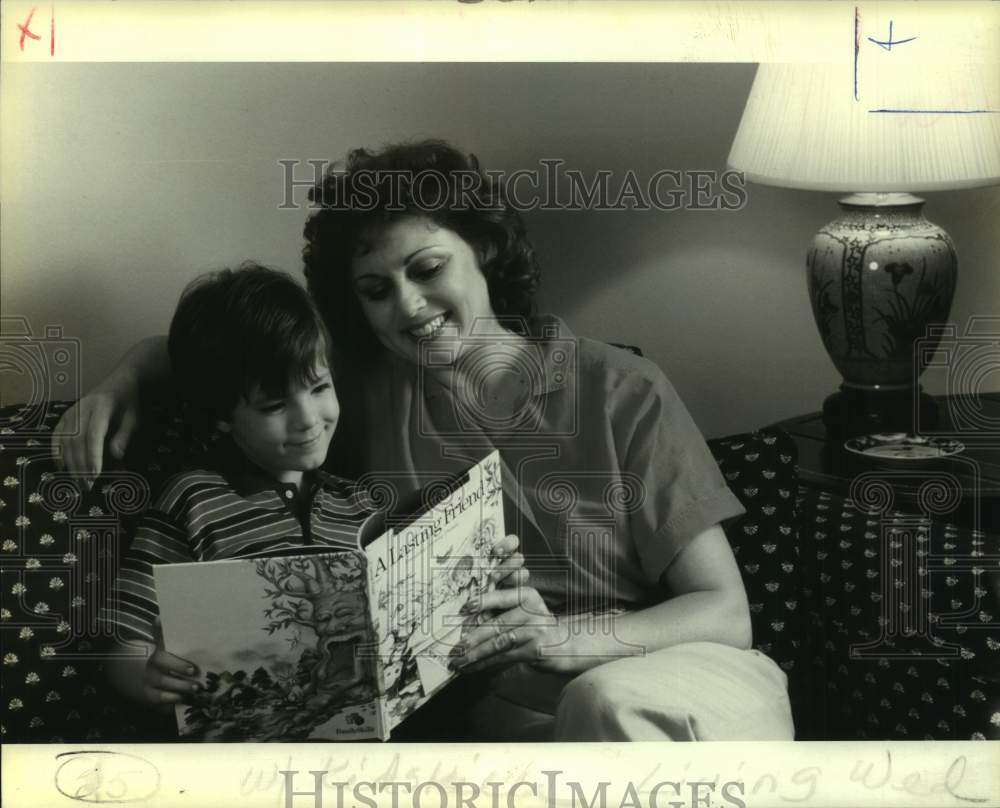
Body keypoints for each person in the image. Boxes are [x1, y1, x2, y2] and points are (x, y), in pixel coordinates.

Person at [59, 141, 794, 741]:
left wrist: (562, 641)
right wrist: (121, 381)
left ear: (483, 250)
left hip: (665, 679)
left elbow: (724, 612)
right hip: (505, 722)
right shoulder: (361, 391)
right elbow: (231, 353)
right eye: (375, 290)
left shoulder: (621, 387)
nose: (407, 306)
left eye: (427, 269)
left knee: (604, 703)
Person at [100, 262, 526, 720]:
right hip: (255, 741)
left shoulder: (360, 503)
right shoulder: (194, 499)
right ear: (220, 415)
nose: (308, 419)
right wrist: (144, 675)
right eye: (275, 405)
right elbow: (124, 639)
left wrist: (478, 586)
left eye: (319, 388)